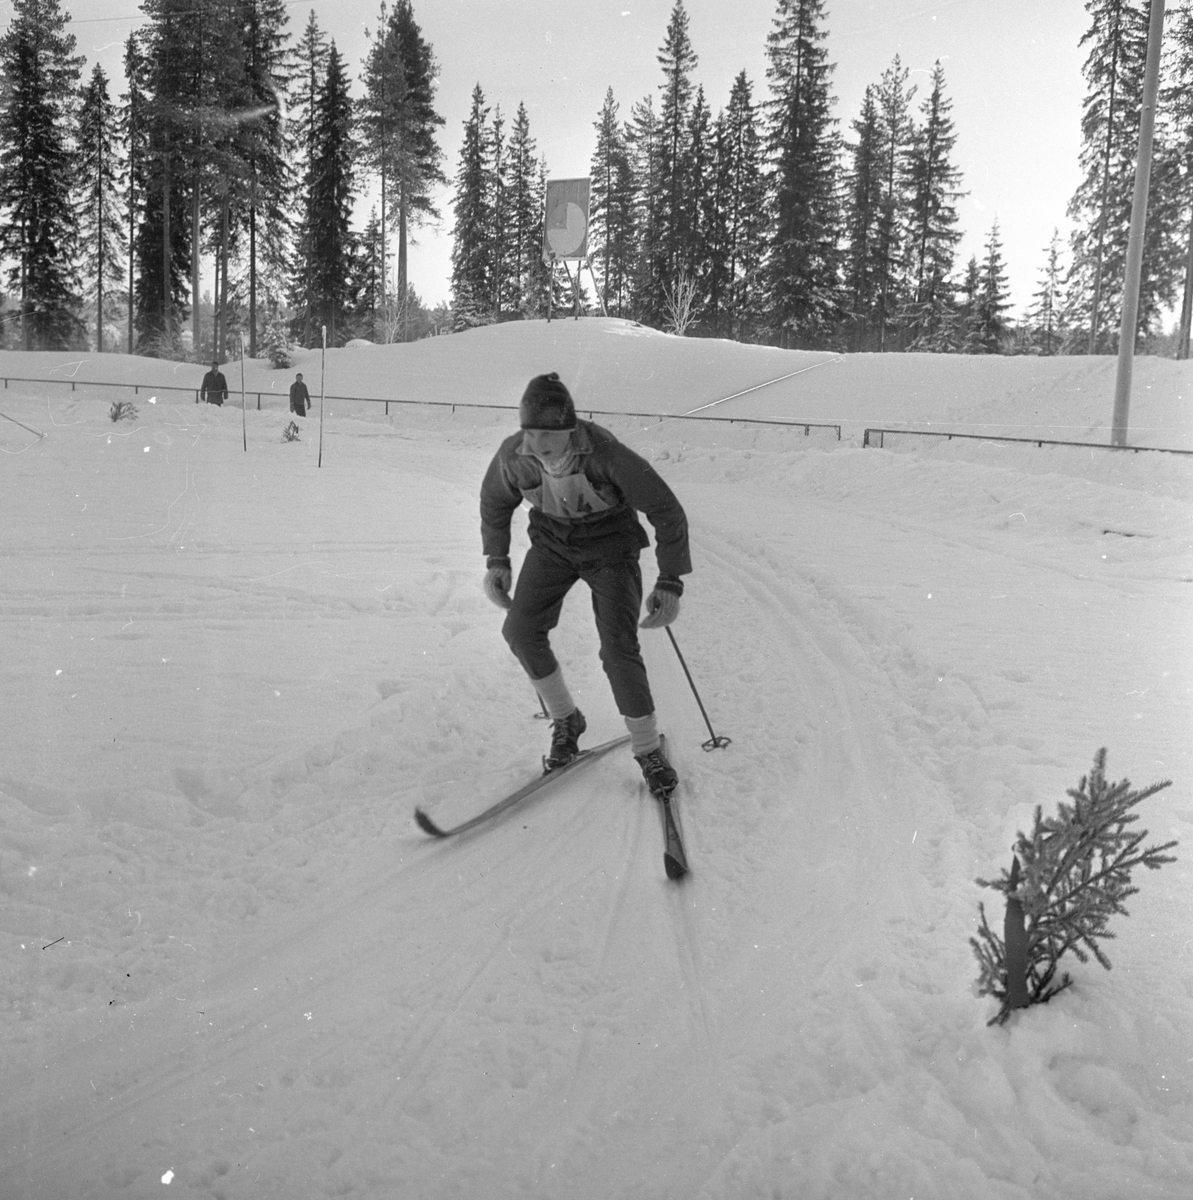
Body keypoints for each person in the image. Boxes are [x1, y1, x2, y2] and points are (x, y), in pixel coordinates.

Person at [480, 372, 691, 793]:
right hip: (552, 544)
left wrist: (670, 582)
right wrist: (498, 559)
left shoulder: (604, 453)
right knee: (520, 630)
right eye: (530, 432)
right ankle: (566, 721)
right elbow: (495, 502)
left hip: (610, 547)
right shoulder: (513, 456)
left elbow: (667, 510)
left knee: (617, 647)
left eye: (548, 435)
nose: (537, 445)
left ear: (570, 428)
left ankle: (648, 751)